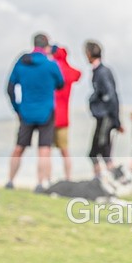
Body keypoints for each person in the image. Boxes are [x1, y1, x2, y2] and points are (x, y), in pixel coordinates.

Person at [5, 33, 64, 191]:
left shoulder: (22, 62)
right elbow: (60, 83)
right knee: (44, 149)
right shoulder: (50, 65)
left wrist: (17, 108)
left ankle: (10, 181)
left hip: (26, 111)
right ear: (46, 46)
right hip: (46, 111)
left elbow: (10, 88)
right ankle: (40, 183)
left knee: (19, 147)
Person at [85, 39, 124, 180]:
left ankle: (111, 181)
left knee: (98, 152)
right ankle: (106, 180)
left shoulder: (102, 72)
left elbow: (111, 96)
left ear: (89, 54)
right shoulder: (99, 71)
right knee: (100, 152)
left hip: (105, 118)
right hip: (104, 117)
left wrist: (116, 121)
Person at [52, 45, 82, 181]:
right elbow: (78, 74)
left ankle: (46, 179)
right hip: (63, 116)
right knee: (65, 150)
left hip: (50, 115)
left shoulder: (53, 68)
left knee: (45, 149)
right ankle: (68, 177)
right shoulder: (69, 71)